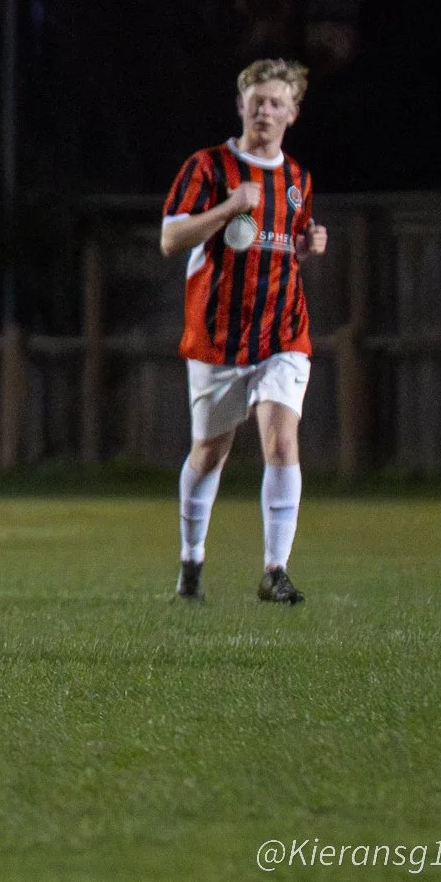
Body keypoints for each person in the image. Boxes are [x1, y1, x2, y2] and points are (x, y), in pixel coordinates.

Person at [160, 58, 328, 605]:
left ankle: (274, 571)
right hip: (217, 338)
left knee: (282, 441)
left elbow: (287, 247)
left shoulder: (298, 181)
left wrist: (307, 249)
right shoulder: (207, 168)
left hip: (283, 332)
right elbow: (171, 239)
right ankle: (191, 562)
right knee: (210, 453)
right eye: (256, 100)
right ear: (240, 106)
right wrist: (230, 206)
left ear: (293, 113)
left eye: (276, 102)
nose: (265, 110)